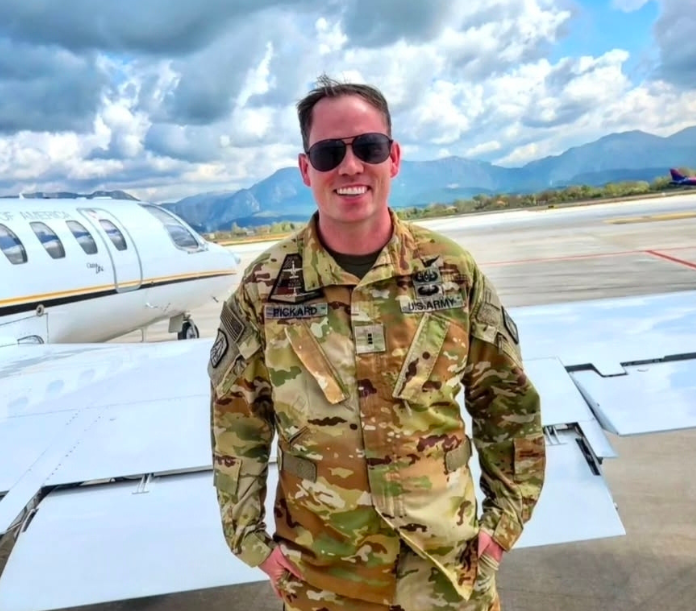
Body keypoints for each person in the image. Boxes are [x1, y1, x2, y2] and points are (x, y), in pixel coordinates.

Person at [208, 74, 546, 611]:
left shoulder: (451, 272)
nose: (350, 166)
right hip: (322, 575)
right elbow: (237, 424)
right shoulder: (265, 289)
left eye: (367, 147)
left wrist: (503, 526)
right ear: (305, 169)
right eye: (327, 152)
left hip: (447, 568)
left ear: (393, 158)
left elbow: (507, 405)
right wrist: (250, 543)